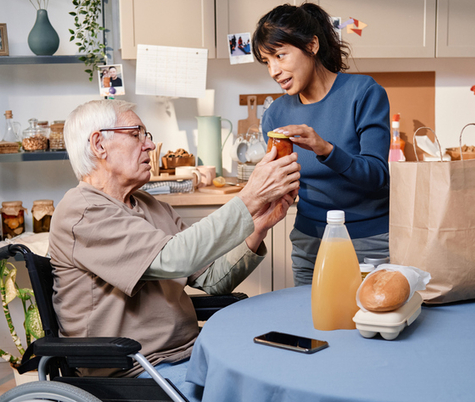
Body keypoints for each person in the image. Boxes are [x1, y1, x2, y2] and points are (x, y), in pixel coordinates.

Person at [48, 100, 300, 393]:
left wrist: (259, 225)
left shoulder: (150, 205)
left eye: (148, 135)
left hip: (190, 354)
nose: (151, 145)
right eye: (136, 134)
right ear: (99, 145)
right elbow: (174, 259)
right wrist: (249, 197)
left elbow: (212, 278)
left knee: (281, 373)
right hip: (136, 370)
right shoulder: (83, 212)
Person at [252, 3, 391, 286]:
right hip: (309, 242)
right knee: (312, 324)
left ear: (312, 45)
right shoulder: (275, 115)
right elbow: (283, 184)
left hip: (369, 242)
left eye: (280, 55)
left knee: (368, 323)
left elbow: (378, 176)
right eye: (267, 61)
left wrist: (325, 149)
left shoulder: (364, 93)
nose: (274, 71)